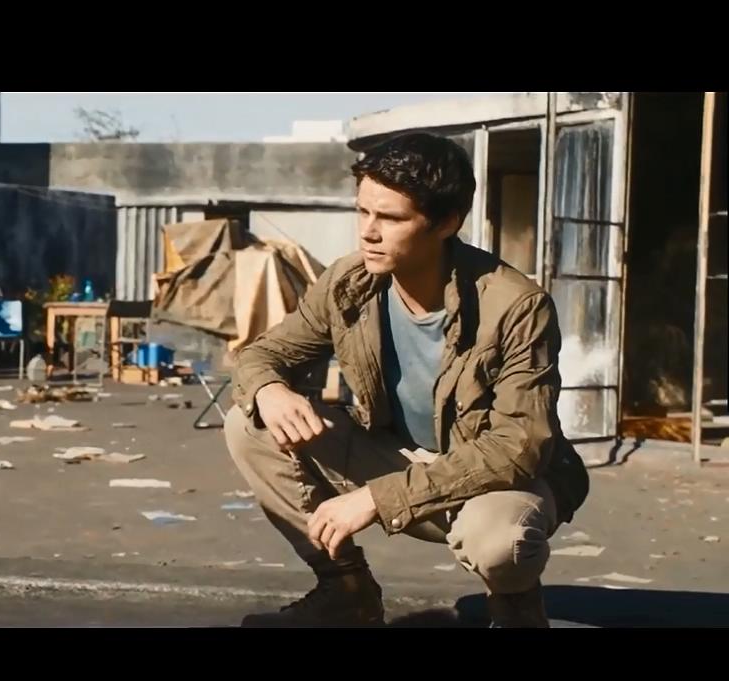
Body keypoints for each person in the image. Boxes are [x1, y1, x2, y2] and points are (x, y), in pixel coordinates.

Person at [224, 133, 588, 628]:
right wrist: (270, 389)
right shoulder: (349, 282)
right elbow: (264, 353)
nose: (368, 233)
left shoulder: (515, 304)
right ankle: (345, 592)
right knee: (249, 425)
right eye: (362, 212)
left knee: (500, 544)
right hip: (396, 453)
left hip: (498, 480)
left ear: (447, 223)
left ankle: (517, 610)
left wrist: (378, 498)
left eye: (391, 218)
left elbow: (518, 447)